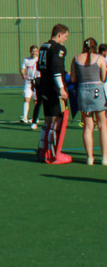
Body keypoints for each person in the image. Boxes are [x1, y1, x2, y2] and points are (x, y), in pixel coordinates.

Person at [37, 24, 71, 164]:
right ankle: (54, 154)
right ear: (59, 35)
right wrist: (62, 88)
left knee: (48, 119)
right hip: (53, 88)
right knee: (58, 120)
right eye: (65, 36)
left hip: (43, 86)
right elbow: (56, 70)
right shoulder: (58, 48)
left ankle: (42, 150)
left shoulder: (44, 46)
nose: (65, 39)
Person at [70, 37, 107, 165]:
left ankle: (89, 158)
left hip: (83, 91)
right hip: (97, 91)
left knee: (87, 126)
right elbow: (103, 78)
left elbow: (73, 78)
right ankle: (104, 158)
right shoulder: (100, 59)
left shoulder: (76, 59)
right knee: (102, 125)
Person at [20, 45, 39, 122]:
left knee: (36, 101)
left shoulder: (39, 60)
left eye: (36, 51)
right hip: (28, 82)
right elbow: (22, 69)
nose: (34, 52)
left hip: (37, 82)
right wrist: (23, 74)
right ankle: (25, 117)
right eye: (33, 51)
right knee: (26, 99)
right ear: (30, 51)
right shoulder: (26, 60)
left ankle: (36, 118)